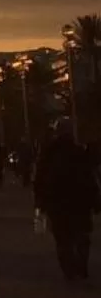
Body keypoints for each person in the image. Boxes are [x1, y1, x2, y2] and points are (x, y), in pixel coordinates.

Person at [32, 118, 98, 282]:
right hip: (79, 201)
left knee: (63, 238)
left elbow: (39, 179)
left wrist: (40, 201)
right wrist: (95, 199)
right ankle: (80, 265)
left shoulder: (49, 153)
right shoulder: (79, 152)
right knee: (81, 235)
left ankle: (70, 268)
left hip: (57, 202)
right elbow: (89, 177)